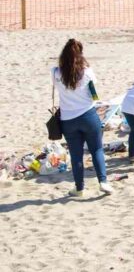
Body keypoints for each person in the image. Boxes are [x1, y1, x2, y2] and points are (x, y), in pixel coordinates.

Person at [53, 39, 112, 197]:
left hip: (68, 119)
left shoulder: (56, 72)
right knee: (97, 149)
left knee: (76, 154)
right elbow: (94, 95)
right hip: (87, 115)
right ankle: (103, 182)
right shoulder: (87, 72)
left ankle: (79, 188)